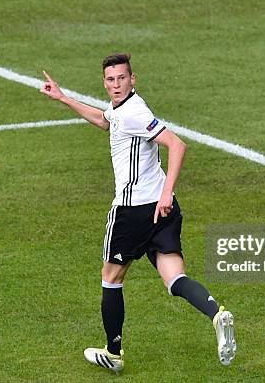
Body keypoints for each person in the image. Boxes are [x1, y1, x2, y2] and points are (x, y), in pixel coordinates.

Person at [40, 53, 236, 373]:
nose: (116, 85)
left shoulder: (133, 113)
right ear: (106, 83)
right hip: (163, 212)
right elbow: (105, 121)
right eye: (110, 79)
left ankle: (114, 352)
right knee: (175, 278)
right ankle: (217, 314)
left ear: (133, 79)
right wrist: (63, 98)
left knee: (111, 277)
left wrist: (165, 192)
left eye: (121, 78)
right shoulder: (124, 109)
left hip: (134, 211)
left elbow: (177, 145)